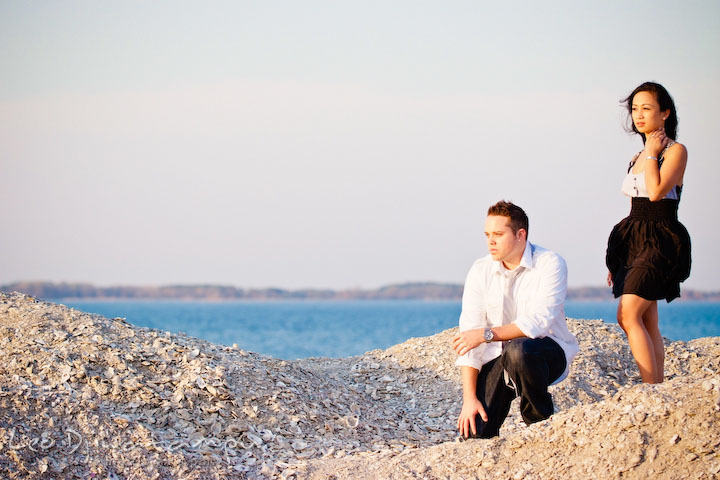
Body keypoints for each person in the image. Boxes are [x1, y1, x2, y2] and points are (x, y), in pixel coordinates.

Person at [452, 201, 579, 439]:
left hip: (545, 353)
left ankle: (539, 422)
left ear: (521, 235)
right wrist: (469, 399)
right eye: (487, 235)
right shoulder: (480, 270)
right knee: (475, 434)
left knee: (519, 350)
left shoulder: (550, 263)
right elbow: (469, 338)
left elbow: (538, 323)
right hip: (498, 359)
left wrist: (486, 334)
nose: (490, 241)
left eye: (498, 234)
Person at [606, 82, 691, 384]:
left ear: (665, 113)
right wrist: (618, 260)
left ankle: (649, 388)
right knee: (646, 317)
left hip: (662, 238)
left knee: (627, 314)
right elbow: (635, 206)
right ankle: (657, 384)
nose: (638, 115)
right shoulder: (637, 156)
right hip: (635, 238)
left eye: (646, 108)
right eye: (634, 109)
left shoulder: (675, 151)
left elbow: (655, 193)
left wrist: (654, 153)